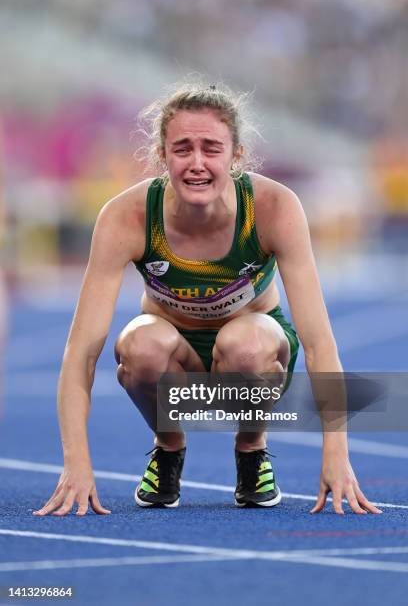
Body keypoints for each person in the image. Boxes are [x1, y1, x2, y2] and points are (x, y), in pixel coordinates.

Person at [34, 83, 381, 516]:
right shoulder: (127, 217)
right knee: (140, 344)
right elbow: (81, 351)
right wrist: (76, 465)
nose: (197, 164)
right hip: (173, 357)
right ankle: (169, 446)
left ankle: (252, 448)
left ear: (236, 155)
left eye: (211, 149)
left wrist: (337, 455)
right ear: (162, 155)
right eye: (182, 149)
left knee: (245, 344)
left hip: (256, 355)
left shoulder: (274, 208)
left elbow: (318, 343)